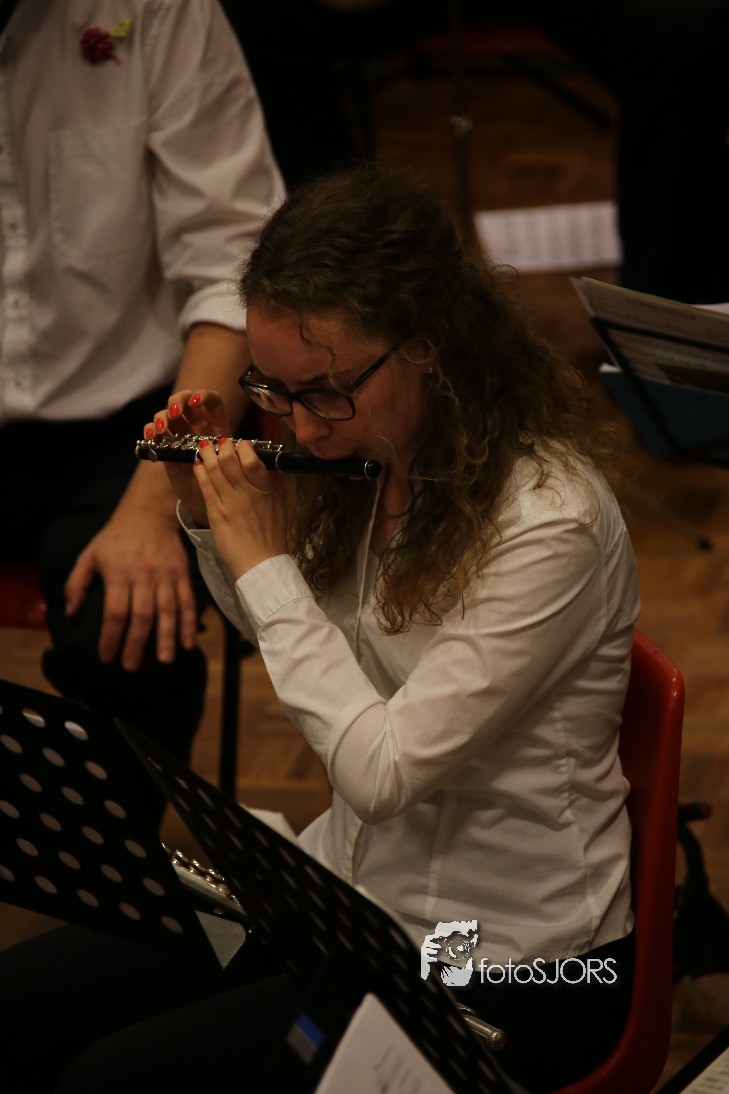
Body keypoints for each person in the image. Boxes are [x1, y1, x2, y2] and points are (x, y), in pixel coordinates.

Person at [0, 163, 640, 1093]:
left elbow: (379, 773)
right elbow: (304, 648)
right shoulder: (377, 458)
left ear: (426, 346)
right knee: (22, 1009)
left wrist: (263, 561)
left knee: (114, 1080)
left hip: (505, 959)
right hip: (347, 901)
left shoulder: (548, 524)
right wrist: (206, 522)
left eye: (325, 390)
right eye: (274, 389)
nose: (299, 425)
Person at [0, 0, 285, 798]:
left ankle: (107, 857)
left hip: (135, 424)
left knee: (129, 640)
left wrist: (156, 502)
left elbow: (236, 266)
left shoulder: (158, 9)